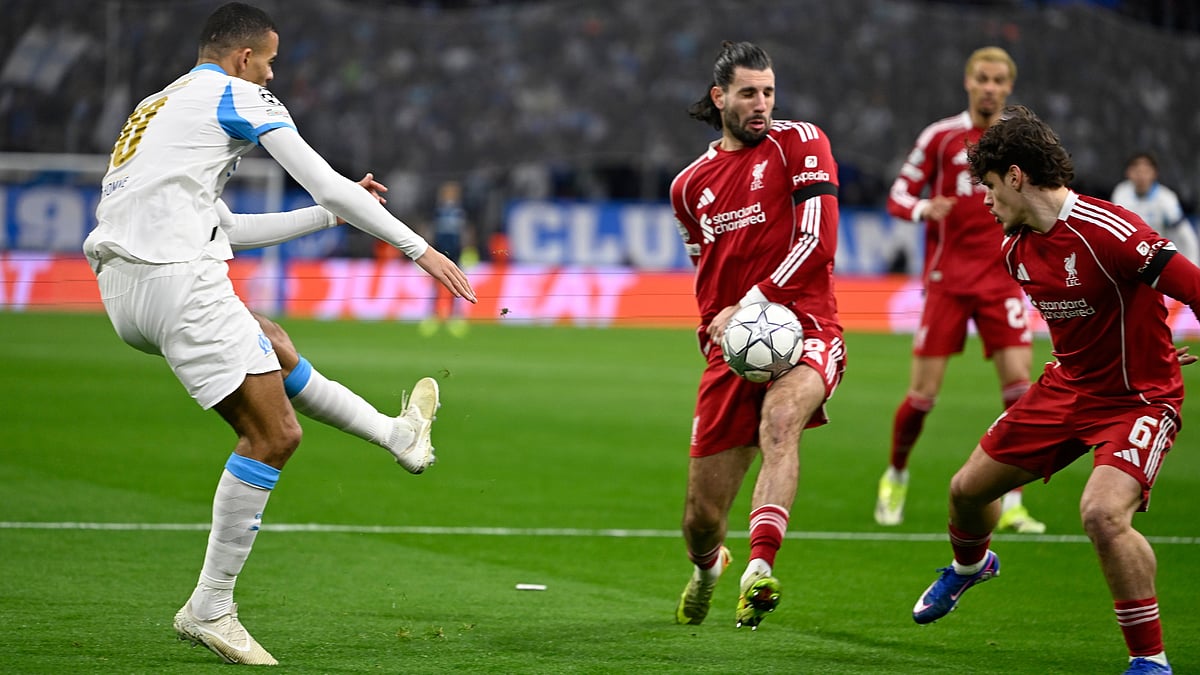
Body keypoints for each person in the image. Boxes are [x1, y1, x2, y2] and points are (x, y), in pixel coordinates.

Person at [82, 2, 476, 665]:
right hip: (176, 277)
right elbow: (325, 178)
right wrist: (419, 248)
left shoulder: (160, 105)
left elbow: (226, 228)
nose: (271, 75)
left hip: (124, 289)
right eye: (269, 62)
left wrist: (327, 218)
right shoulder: (239, 95)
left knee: (274, 342)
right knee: (274, 433)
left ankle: (397, 435)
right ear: (243, 59)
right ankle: (211, 603)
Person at [911, 105, 1197, 675]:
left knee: (1102, 514)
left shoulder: (1111, 232)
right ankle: (971, 567)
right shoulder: (1015, 249)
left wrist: (1155, 357)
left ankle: (1150, 661)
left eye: (990, 187)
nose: (986, 201)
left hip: (1137, 400)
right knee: (966, 491)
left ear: (1016, 176)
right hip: (1065, 389)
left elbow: (1190, 286)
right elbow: (1092, 321)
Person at [669, 41, 846, 630]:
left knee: (781, 421)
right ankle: (708, 568)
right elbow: (704, 269)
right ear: (721, 98)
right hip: (731, 347)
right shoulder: (689, 186)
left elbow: (818, 242)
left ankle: (758, 569)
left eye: (768, 92)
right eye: (749, 93)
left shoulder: (801, 143)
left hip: (805, 325)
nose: (762, 104)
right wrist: (715, 328)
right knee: (699, 518)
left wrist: (752, 303)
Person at [876, 46, 1045, 534]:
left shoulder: (1019, 140)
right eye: (982, 79)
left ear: (1009, 87)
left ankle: (1012, 500)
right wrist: (923, 209)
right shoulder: (940, 137)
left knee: (1020, 391)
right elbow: (898, 195)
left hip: (1003, 280)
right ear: (968, 82)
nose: (990, 87)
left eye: (999, 80)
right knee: (923, 396)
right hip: (947, 281)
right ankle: (896, 474)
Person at [1111, 152, 1198, 264]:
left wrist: (1193, 264)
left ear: (1154, 173)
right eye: (1137, 171)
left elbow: (1185, 236)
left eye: (1146, 171)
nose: (1141, 176)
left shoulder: (1166, 199)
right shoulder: (1120, 194)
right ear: (1128, 173)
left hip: (1158, 260)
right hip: (1128, 260)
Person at [419, 179, 473, 337]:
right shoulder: (436, 211)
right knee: (436, 284)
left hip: (455, 252)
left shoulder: (461, 211)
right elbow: (427, 229)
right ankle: (433, 315)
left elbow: (467, 231)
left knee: (456, 283)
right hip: (439, 251)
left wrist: (469, 249)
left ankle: (454, 316)